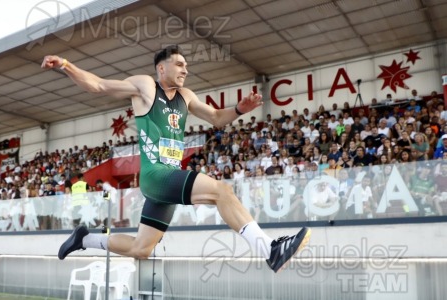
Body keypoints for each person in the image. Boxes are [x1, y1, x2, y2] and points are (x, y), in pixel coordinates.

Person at [42, 45, 310, 273]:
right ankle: (270, 250)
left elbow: (216, 118)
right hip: (155, 176)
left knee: (141, 248)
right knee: (222, 191)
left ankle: (85, 239)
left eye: (186, 66)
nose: (185, 70)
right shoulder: (146, 86)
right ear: (161, 69)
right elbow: (98, 85)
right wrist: (65, 64)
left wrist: (240, 109)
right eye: (180, 64)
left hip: (165, 181)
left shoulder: (186, 96)